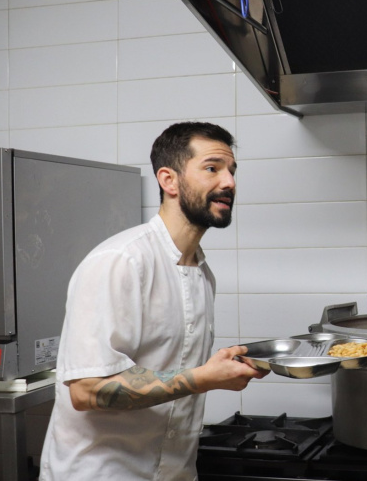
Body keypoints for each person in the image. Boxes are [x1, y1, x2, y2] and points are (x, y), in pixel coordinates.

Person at [40, 122, 268, 480]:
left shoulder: (202, 272)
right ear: (169, 180)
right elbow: (86, 390)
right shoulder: (121, 261)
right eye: (212, 168)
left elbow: (169, 368)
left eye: (232, 171)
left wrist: (221, 368)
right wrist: (204, 378)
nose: (229, 182)